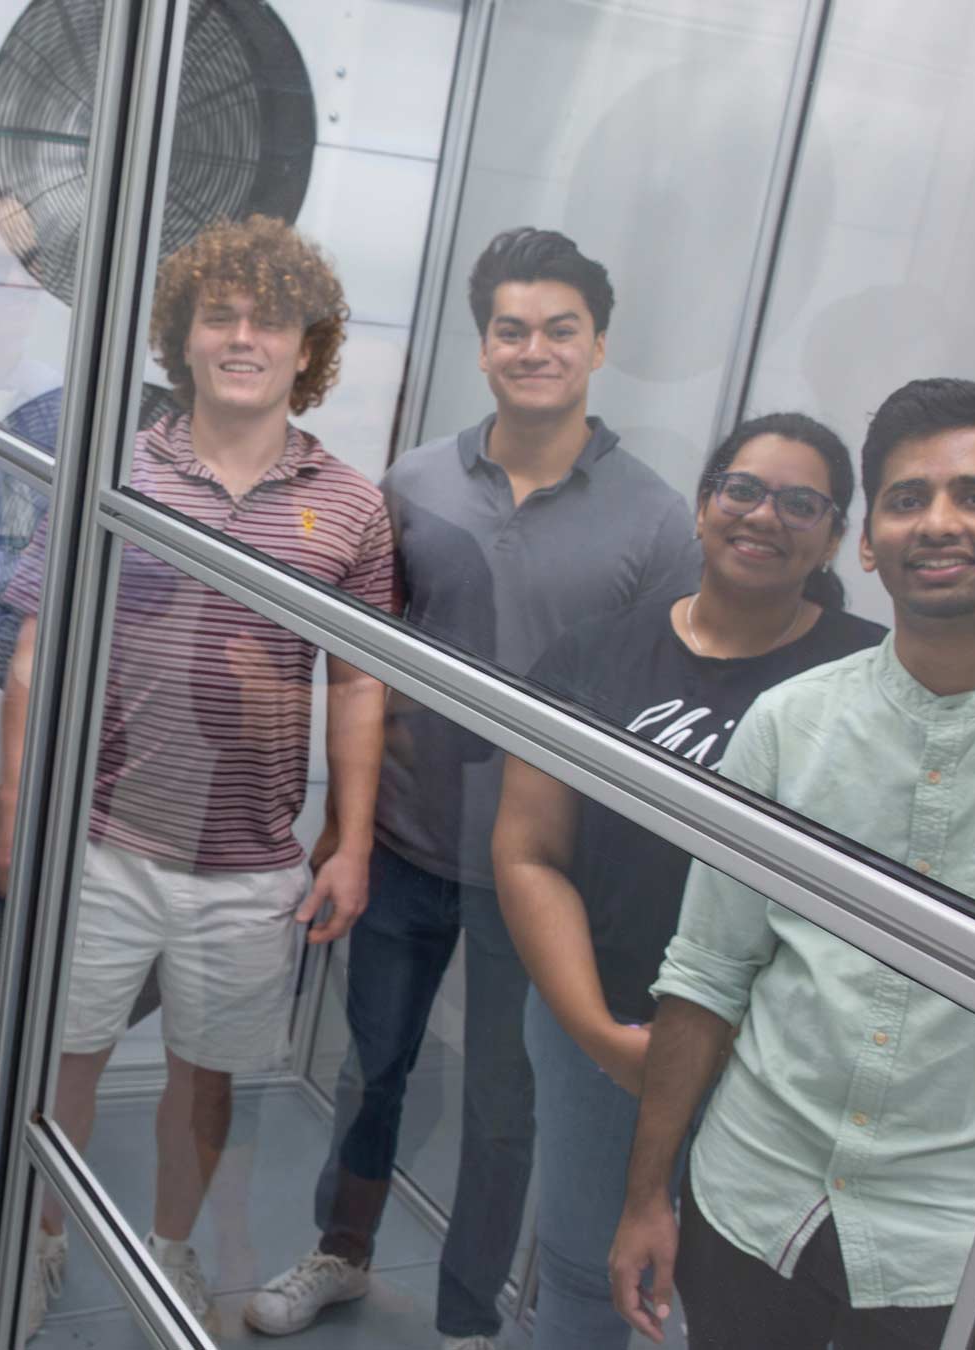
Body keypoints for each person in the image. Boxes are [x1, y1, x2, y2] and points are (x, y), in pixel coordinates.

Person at [244, 227, 701, 1349]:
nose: (533, 349)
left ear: (598, 345)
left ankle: (465, 1321)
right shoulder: (413, 483)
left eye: (559, 329)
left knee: (506, 1108)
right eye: (511, 329)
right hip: (404, 841)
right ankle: (339, 1254)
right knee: (373, 1068)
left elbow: (667, 702)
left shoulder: (655, 517)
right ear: (482, 343)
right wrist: (344, 825)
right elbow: (362, 670)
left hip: (543, 875)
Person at [609, 378, 975, 1348]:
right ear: (867, 543)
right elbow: (709, 970)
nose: (937, 523)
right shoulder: (790, 724)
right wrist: (648, 1195)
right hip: (751, 1197)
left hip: (958, 1236)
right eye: (906, 499)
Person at [0, 216, 394, 1338]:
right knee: (64, 1058)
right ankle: (43, 1233)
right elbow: (33, 648)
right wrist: (21, 807)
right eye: (219, 315)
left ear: (308, 348)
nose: (244, 337)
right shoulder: (116, 468)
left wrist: (350, 839)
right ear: (182, 337)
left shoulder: (351, 505)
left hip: (253, 861)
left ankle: (165, 1248)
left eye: (271, 319)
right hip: (105, 838)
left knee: (204, 1076)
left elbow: (360, 683)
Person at [490, 412, 885, 1347]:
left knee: (746, 1308)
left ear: (835, 537)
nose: (763, 515)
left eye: (801, 503)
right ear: (706, 504)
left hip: (777, 1065)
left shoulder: (871, 675)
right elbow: (528, 853)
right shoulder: (594, 652)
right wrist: (599, 1034)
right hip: (604, 1030)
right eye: (742, 489)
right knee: (586, 1277)